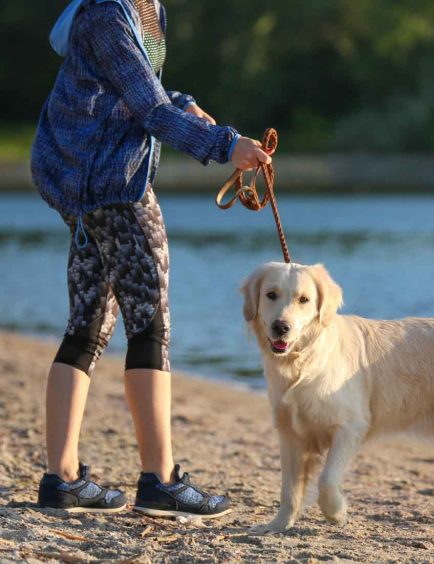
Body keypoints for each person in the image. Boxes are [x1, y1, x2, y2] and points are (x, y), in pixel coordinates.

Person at [30, 0, 269, 517]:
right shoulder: (106, 12)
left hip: (95, 180)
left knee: (88, 327)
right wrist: (226, 145)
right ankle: (160, 480)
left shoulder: (149, 7)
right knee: (150, 325)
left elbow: (142, 90)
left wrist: (187, 104)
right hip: (109, 183)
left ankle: (62, 479)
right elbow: (149, 110)